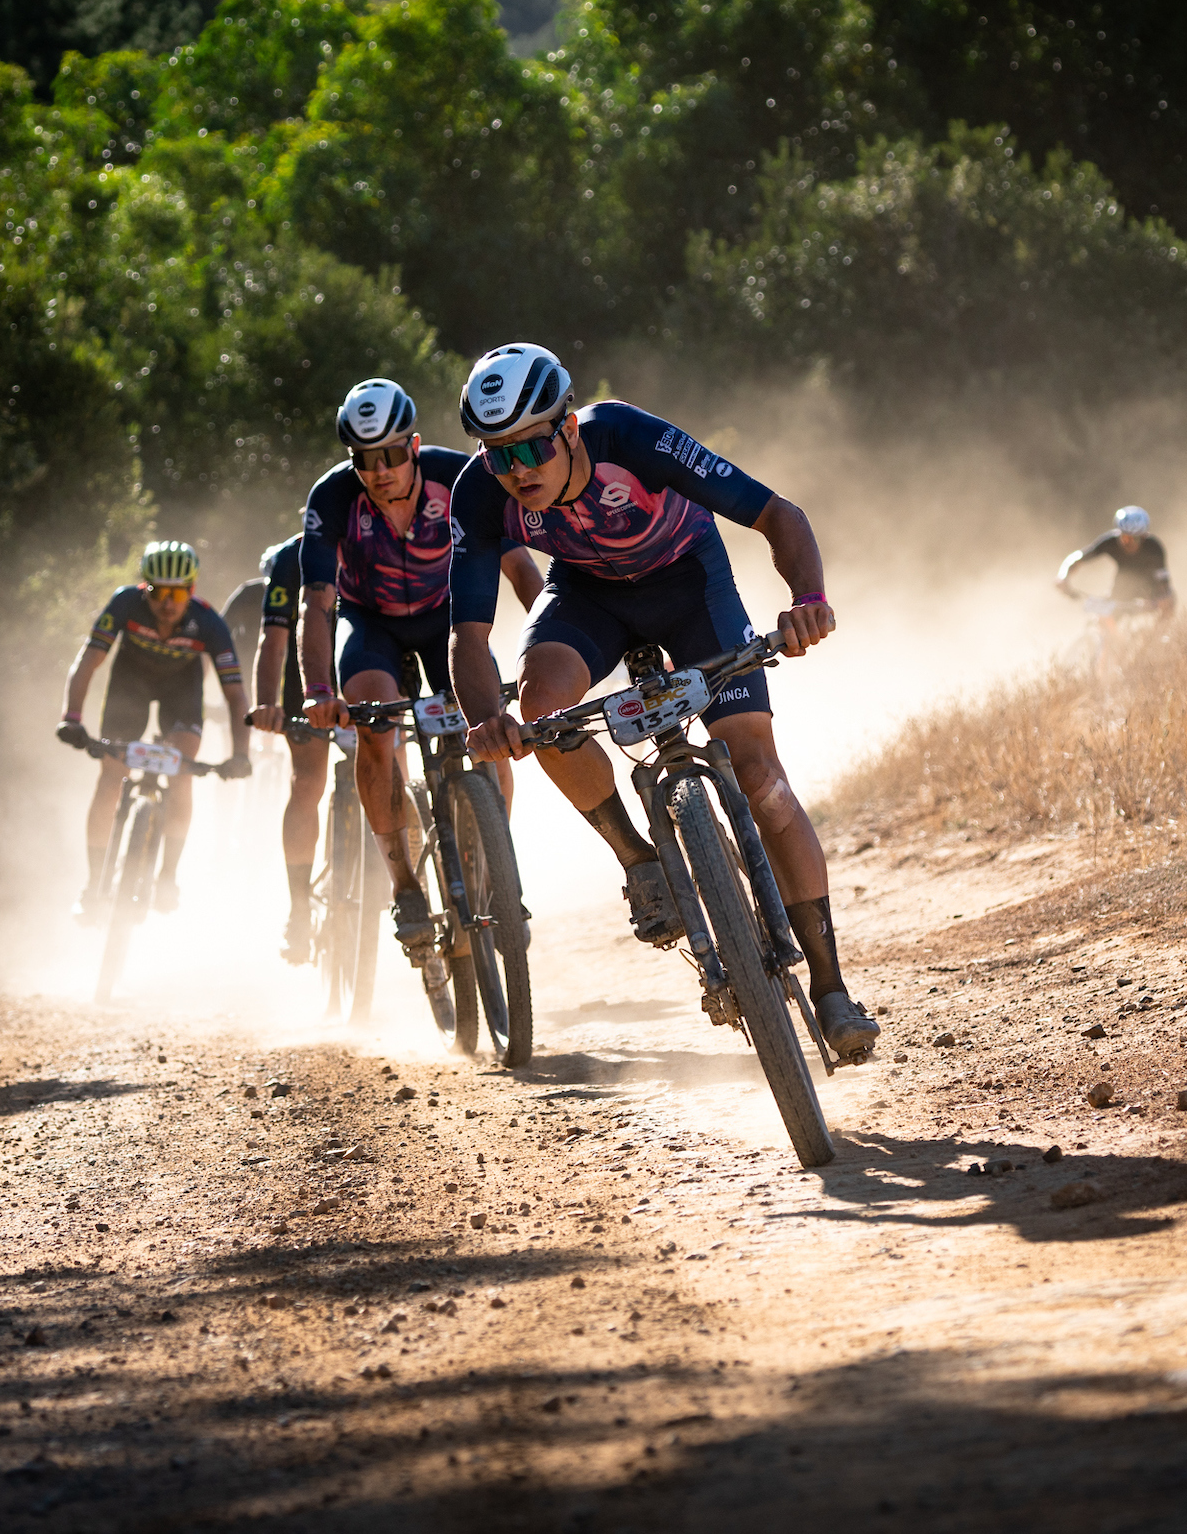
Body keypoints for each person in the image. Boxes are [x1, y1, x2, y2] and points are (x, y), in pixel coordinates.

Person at [444, 343, 880, 1062]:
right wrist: (488, 722)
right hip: (588, 597)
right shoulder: (479, 492)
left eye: (531, 446)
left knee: (763, 780)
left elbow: (777, 512)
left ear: (570, 430)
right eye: (499, 454)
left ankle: (831, 988)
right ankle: (639, 859)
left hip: (689, 583)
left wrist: (807, 601)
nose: (518, 470)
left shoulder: (629, 437)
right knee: (543, 704)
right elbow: (469, 632)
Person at [300, 377, 543, 955]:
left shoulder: (459, 478)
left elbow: (521, 568)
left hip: (446, 618)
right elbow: (317, 605)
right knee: (374, 728)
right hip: (372, 623)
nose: (379, 470)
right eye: (365, 459)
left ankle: (500, 871)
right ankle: (406, 887)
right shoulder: (332, 499)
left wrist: (552, 636)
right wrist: (316, 689)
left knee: (483, 720)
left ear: (413, 445)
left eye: (390, 455)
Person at [56, 540, 252, 921]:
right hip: (130, 685)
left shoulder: (209, 623)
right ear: (144, 588)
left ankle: (168, 877)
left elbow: (235, 696)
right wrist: (72, 717)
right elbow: (88, 662)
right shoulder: (125, 604)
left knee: (181, 773)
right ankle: (94, 883)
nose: (167, 601)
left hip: (183, 691)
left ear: (191, 590)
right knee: (111, 776)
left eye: (178, 592)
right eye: (158, 591)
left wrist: (241, 753)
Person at [243, 530, 329, 962]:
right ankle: (298, 908)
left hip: (365, 657)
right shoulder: (288, 558)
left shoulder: (379, 534)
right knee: (307, 783)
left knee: (394, 764)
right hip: (305, 673)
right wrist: (267, 705)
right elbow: (273, 640)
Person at [1055, 505, 1176, 618]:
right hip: (1122, 590)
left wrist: (1159, 599)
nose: (1129, 543)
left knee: (1169, 602)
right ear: (1119, 533)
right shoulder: (1110, 543)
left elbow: (1163, 582)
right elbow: (1079, 558)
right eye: (1125, 537)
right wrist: (1063, 575)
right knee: (1104, 617)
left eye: (1135, 539)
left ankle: (1160, 638)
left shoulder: (1154, 548)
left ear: (1144, 536)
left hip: (1150, 591)